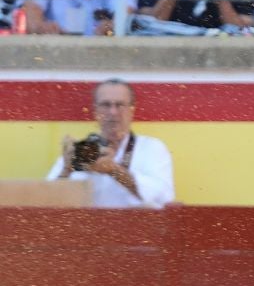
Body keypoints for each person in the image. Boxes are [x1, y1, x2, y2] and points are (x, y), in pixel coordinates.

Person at [45, 77, 173, 207]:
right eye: (105, 105)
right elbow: (47, 202)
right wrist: (66, 170)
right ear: (95, 111)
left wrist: (114, 170)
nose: (113, 112)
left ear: (131, 110)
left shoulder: (151, 148)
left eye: (120, 105)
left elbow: (163, 198)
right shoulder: (80, 151)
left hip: (137, 220)